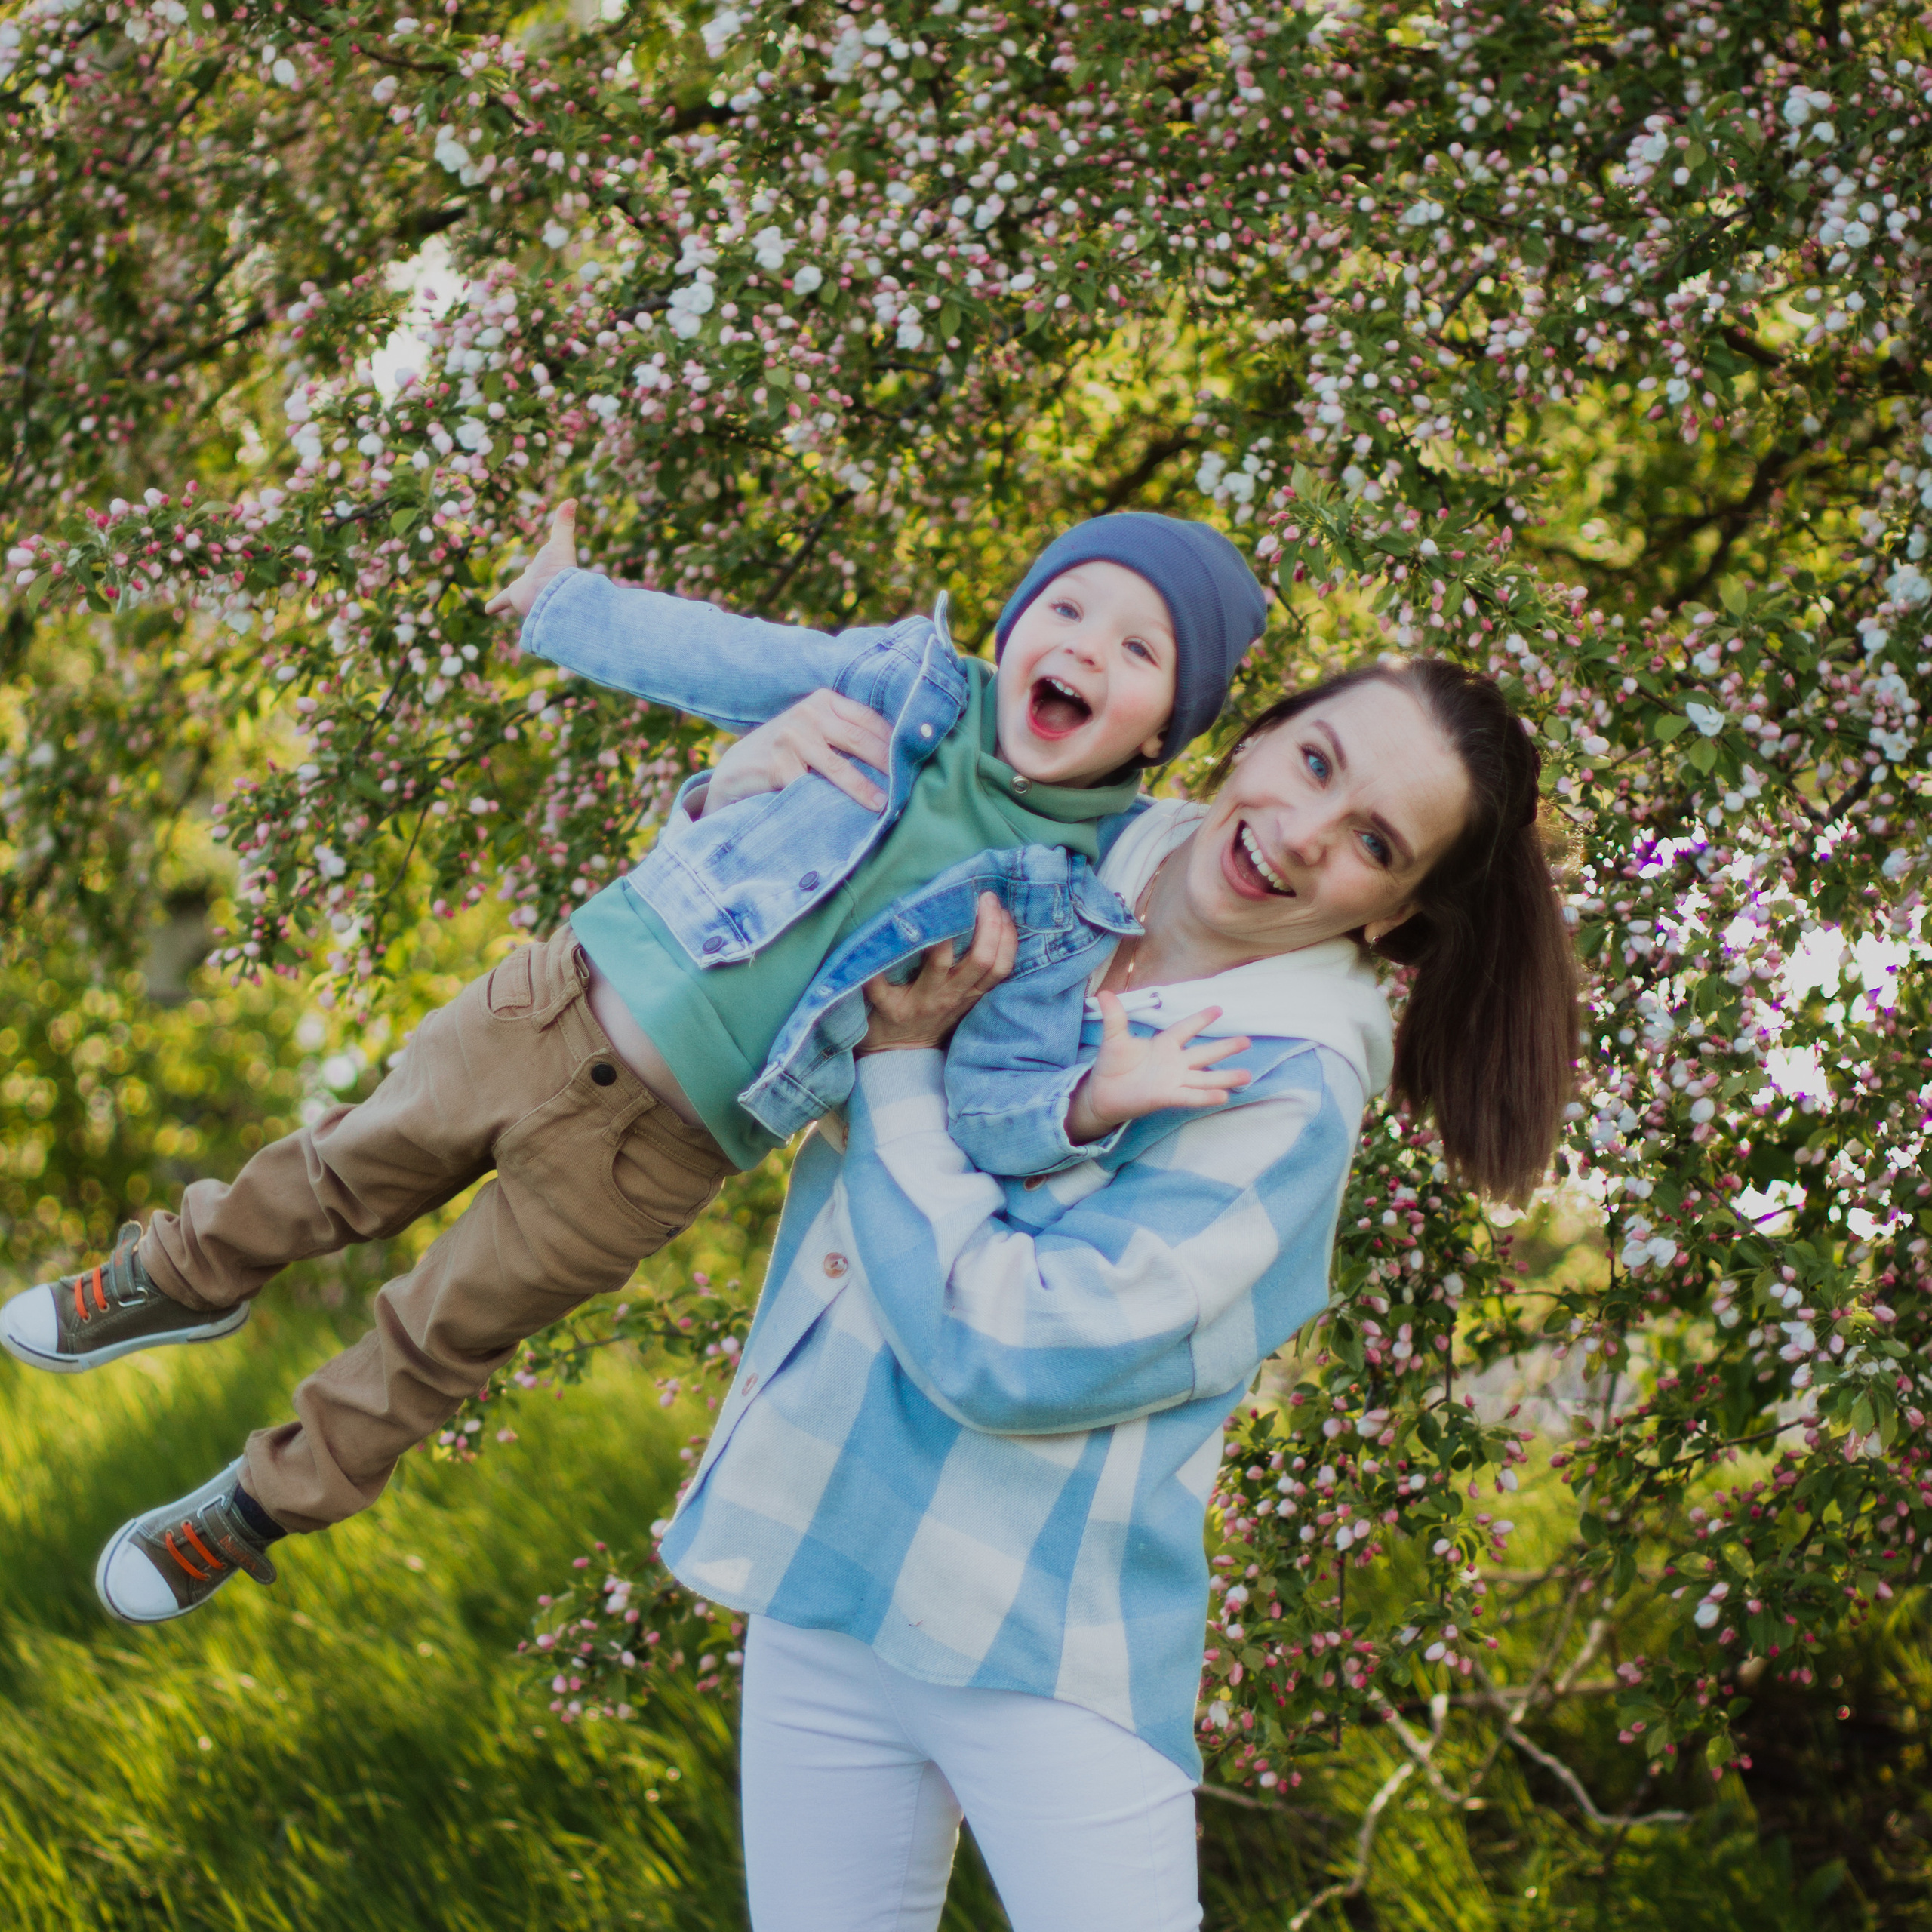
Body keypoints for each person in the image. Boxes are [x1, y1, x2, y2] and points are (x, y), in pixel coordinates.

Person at [0, 505, 1267, 1626]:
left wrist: (1098, 1097)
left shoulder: (1064, 913)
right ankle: (181, 1272)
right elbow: (719, 656)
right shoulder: (902, 685)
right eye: (1068, 605)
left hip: (659, 1153)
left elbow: (995, 1111)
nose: (1088, 646)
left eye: (1140, 651)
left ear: (1166, 732)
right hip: (553, 1002)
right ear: (1015, 619)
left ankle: (258, 1507)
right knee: (341, 1165)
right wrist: (564, 603)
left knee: (440, 1339)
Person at [659, 659, 1580, 1932]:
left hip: (1036, 1633)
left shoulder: (1288, 1092)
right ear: (1257, 738)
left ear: (1399, 917)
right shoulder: (1062, 843)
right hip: (827, 1545)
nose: (1305, 835)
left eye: (1374, 841)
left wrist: (902, 1071)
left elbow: (1014, 1349)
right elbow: (759, 992)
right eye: (1316, 762)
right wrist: (735, 805)